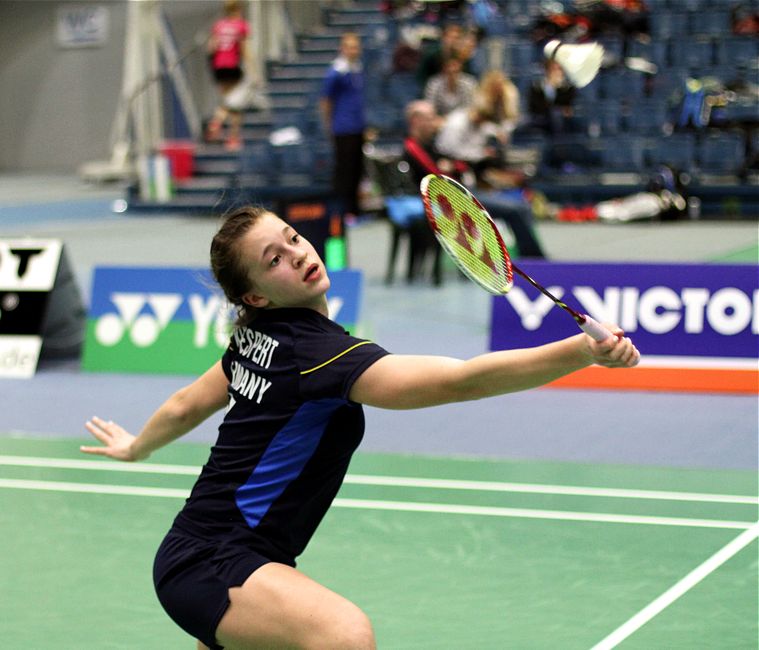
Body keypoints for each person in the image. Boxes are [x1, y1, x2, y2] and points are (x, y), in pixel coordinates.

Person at [81, 205, 638, 650]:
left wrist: (136, 447)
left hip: (207, 553)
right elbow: (458, 381)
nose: (297, 256)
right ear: (254, 295)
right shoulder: (318, 355)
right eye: (273, 260)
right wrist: (580, 351)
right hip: (217, 561)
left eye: (292, 239)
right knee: (344, 635)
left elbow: (185, 406)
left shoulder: (257, 338)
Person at [406, 99, 547, 258]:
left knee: (521, 205)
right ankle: (535, 261)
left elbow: (457, 164)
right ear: (416, 120)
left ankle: (532, 259)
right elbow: (436, 174)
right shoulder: (412, 147)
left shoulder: (430, 144)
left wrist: (454, 166)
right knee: (515, 210)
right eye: (430, 117)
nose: (435, 122)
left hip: (461, 194)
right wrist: (451, 167)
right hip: (449, 202)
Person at [319, 32, 366, 220]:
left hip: (357, 127)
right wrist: (329, 126)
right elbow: (325, 101)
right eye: (350, 46)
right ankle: (341, 211)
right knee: (344, 172)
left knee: (357, 170)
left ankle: (355, 210)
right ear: (343, 48)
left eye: (356, 46)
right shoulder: (335, 72)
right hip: (342, 128)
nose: (354, 50)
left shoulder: (357, 69)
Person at [206, 0, 251, 151]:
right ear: (238, 10)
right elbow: (244, 49)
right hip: (232, 65)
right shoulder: (241, 25)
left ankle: (217, 122)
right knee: (236, 104)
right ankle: (232, 137)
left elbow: (211, 48)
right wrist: (252, 68)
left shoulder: (218, 25)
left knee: (228, 100)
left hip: (219, 67)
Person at [527, 58, 577, 134]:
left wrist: (558, 87)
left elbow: (568, 107)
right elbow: (535, 107)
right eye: (553, 69)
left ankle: (558, 143)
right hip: (541, 119)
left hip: (563, 122)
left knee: (556, 114)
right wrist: (550, 87)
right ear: (547, 71)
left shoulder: (568, 88)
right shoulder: (536, 87)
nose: (556, 72)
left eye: (559, 69)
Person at [423, 53, 478, 117]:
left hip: (464, 120)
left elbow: (472, 108)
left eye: (455, 65)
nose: (452, 69)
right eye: (448, 65)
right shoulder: (433, 83)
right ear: (443, 68)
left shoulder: (470, 82)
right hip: (439, 120)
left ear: (461, 66)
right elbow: (430, 107)